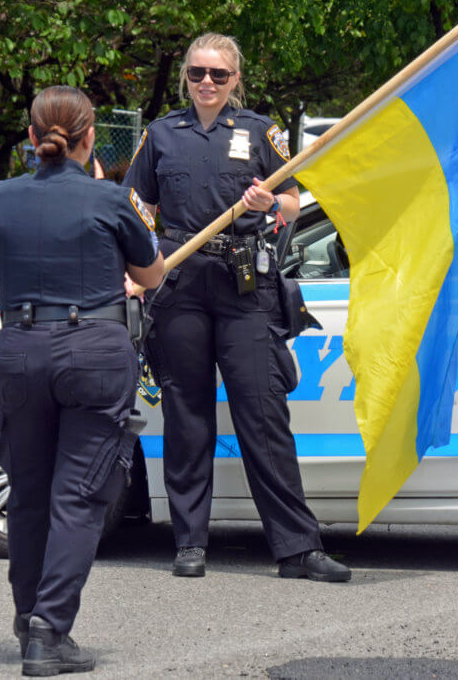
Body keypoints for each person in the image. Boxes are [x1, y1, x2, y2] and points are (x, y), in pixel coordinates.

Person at [123, 33, 351, 583]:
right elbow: (136, 201)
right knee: (187, 416)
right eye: (198, 73)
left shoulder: (259, 131)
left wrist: (271, 202)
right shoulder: (160, 135)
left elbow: (295, 199)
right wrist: (147, 258)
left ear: (235, 79)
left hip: (245, 285)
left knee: (263, 414)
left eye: (218, 75)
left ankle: (297, 549)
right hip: (179, 287)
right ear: (185, 76)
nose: (207, 82)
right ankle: (189, 544)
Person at [0, 86, 164, 676]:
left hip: (22, 351)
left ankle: (28, 614)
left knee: (28, 494)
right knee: (78, 498)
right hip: (93, 353)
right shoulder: (110, 199)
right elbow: (151, 274)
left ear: (31, 139)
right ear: (88, 140)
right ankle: (47, 633)